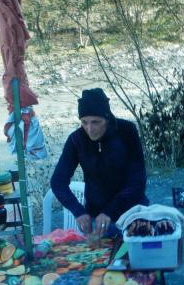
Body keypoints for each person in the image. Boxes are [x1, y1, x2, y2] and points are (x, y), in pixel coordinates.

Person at [50, 88, 149, 237]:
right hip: (98, 217)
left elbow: (137, 180)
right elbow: (58, 182)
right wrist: (78, 212)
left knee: (139, 258)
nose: (90, 129)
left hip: (133, 212)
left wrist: (110, 211)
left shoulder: (127, 131)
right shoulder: (76, 139)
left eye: (96, 122)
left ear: (107, 118)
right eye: (84, 122)